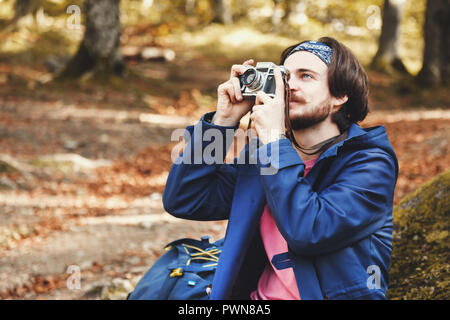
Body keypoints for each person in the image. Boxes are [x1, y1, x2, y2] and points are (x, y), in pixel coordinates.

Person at [162, 37, 398, 300]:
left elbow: (308, 231)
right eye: (284, 76)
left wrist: (275, 141)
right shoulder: (262, 157)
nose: (290, 87)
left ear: (340, 95)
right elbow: (185, 199)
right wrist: (223, 121)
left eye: (306, 76)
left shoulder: (370, 162)